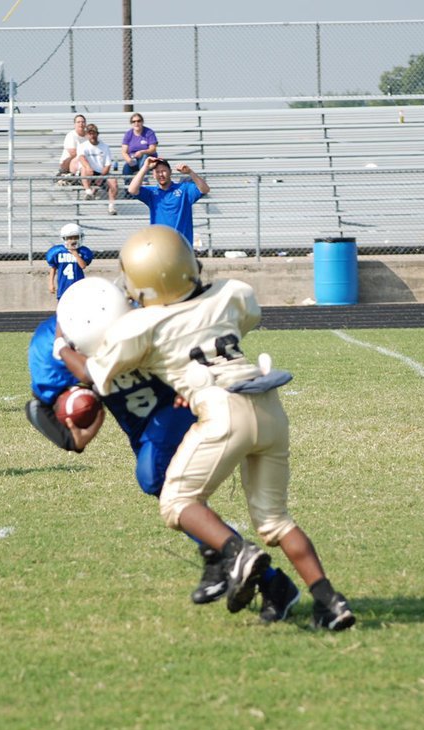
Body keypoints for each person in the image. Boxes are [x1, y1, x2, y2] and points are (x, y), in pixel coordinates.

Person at [55, 225, 355, 631]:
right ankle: (330, 603)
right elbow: (241, 322)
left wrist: (62, 346)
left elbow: (95, 374)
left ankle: (237, 553)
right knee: (276, 520)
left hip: (223, 412)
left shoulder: (140, 325)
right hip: (269, 406)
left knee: (177, 501)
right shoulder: (230, 293)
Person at [29, 277, 301, 622]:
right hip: (141, 427)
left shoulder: (140, 315)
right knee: (169, 491)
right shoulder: (47, 350)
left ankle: (228, 556)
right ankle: (264, 578)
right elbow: (77, 436)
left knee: (155, 477)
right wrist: (85, 402)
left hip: (179, 407)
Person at [127, 158, 210, 248]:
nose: (161, 174)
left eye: (163, 171)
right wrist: (145, 167)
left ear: (170, 172)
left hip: (182, 245)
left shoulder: (184, 189)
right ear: (154, 175)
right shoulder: (151, 192)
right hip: (159, 245)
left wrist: (190, 172)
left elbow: (205, 189)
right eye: (157, 172)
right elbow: (132, 190)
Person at [76, 124, 119, 214]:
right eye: (90, 133)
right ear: (87, 135)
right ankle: (88, 192)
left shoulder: (104, 146)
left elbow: (107, 165)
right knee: (84, 168)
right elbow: (81, 158)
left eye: (94, 133)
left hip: (101, 173)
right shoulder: (82, 146)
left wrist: (101, 177)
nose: (92, 135)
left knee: (113, 181)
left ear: (97, 134)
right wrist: (88, 167)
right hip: (88, 173)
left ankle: (111, 206)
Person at [45, 223, 92, 301]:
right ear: (64, 238)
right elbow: (53, 268)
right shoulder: (58, 252)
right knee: (62, 307)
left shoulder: (82, 251)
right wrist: (51, 283)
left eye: (76, 237)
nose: (73, 240)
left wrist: (75, 253)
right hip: (63, 284)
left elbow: (83, 266)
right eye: (70, 238)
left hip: (78, 284)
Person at [120, 113, 159, 178]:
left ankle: (144, 181)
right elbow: (124, 152)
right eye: (134, 121)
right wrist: (129, 160)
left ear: (142, 122)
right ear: (131, 123)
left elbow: (153, 149)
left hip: (149, 159)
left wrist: (142, 152)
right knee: (126, 168)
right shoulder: (128, 134)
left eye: (139, 121)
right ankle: (127, 186)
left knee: (145, 157)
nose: (136, 123)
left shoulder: (149, 132)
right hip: (133, 159)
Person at [56, 114, 88, 184]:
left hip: (84, 162)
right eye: (78, 122)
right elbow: (73, 153)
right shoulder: (71, 135)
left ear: (85, 124)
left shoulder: (89, 136)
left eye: (83, 122)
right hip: (68, 163)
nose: (81, 124)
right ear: (74, 124)